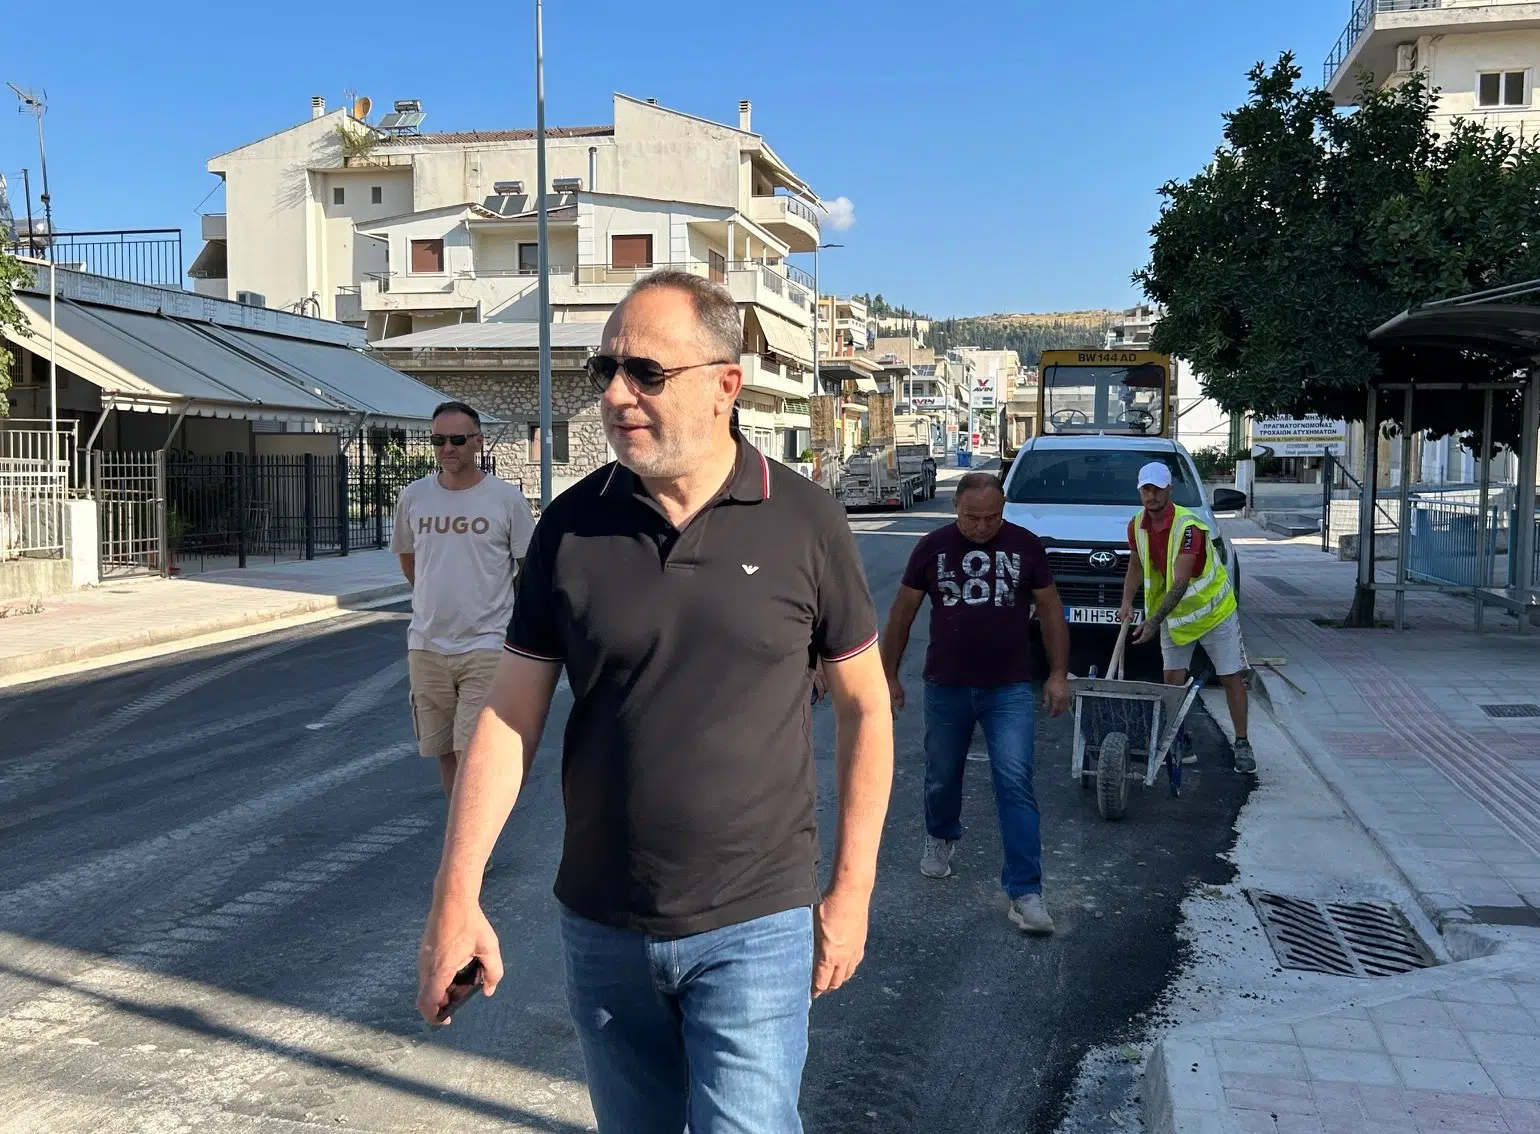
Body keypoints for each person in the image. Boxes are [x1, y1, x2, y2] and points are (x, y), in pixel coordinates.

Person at [415, 270, 894, 1133]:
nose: (615, 394)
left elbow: (865, 706)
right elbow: (509, 714)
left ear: (725, 385)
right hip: (603, 927)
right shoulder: (571, 528)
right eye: (606, 370)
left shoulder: (806, 520)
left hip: (757, 923)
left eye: (646, 372)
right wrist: (456, 893)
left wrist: (851, 892)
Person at [879, 472, 1071, 935]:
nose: (982, 527)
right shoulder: (931, 548)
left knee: (1015, 782)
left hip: (1009, 688)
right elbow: (902, 613)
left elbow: (1050, 609)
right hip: (946, 685)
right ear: (956, 510)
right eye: (972, 518)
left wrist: (1058, 673)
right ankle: (941, 835)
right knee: (941, 776)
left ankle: (1025, 892)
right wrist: (888, 675)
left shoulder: (1025, 546)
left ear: (1003, 510)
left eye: (992, 518)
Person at [391, 401, 536, 802]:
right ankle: (461, 833)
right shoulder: (414, 497)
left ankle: (473, 838)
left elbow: (529, 566)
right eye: (438, 440)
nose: (446, 449)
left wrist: (501, 610)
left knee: (472, 751)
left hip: (486, 644)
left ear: (477, 442)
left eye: (456, 440)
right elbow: (409, 559)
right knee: (444, 751)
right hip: (426, 644)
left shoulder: (505, 499)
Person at [1118, 461, 1254, 773]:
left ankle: (1242, 742)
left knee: (1230, 676)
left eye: (1157, 489)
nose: (1151, 495)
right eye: (1145, 489)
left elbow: (1180, 582)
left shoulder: (1189, 527)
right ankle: (1179, 739)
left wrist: (1153, 621)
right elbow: (1136, 565)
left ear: (1169, 489)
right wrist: (1126, 602)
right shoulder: (1136, 525)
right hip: (1176, 616)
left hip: (1213, 613)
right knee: (1172, 681)